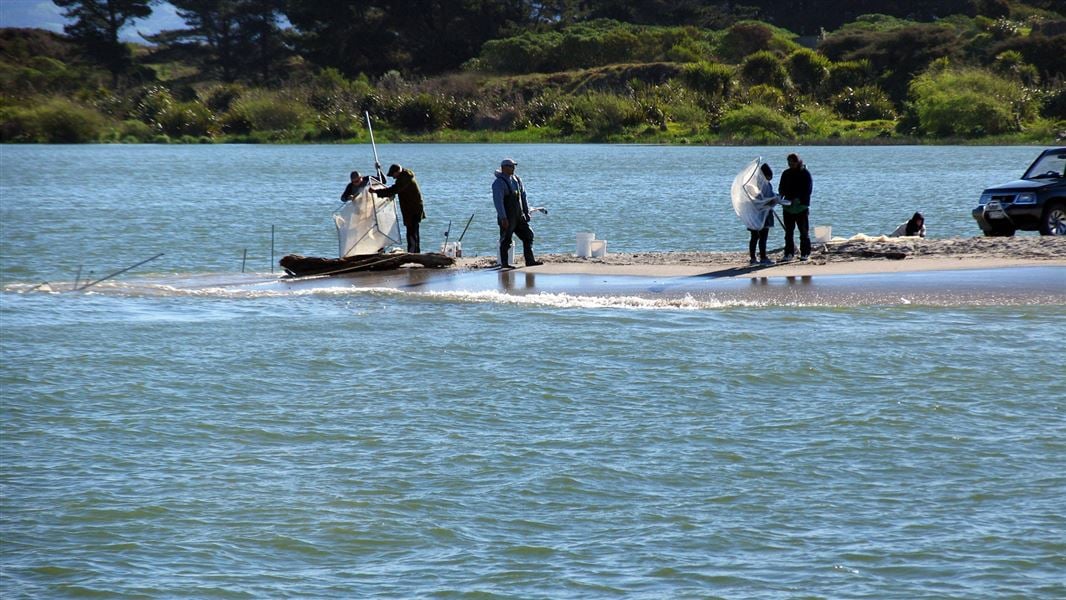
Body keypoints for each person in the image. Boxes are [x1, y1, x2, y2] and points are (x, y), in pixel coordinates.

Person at [492, 158, 543, 268]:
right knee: (506, 240)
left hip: (519, 216)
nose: (513, 168)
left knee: (528, 235)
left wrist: (526, 212)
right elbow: (498, 202)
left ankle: (530, 261)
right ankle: (504, 264)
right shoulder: (499, 183)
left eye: (514, 166)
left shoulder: (517, 180)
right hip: (507, 217)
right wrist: (503, 218)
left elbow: (523, 197)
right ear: (504, 168)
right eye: (511, 166)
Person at [373, 163, 425, 253]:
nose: (393, 177)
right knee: (412, 232)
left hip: (413, 210)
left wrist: (376, 192)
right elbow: (394, 190)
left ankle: (413, 253)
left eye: (393, 175)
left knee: (412, 233)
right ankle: (413, 252)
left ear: (397, 172)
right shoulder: (404, 177)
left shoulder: (404, 179)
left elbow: (393, 190)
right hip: (411, 210)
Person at [779, 152, 813, 262]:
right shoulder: (786, 173)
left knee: (804, 232)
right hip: (788, 207)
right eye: (789, 163)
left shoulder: (805, 173)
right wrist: (780, 198)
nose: (791, 164)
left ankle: (805, 253)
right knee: (788, 232)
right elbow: (781, 188)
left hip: (801, 207)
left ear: (798, 162)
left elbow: (808, 190)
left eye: (793, 163)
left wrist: (797, 199)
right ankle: (789, 253)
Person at [748, 163, 780, 266]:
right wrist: (775, 199)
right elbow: (767, 199)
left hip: (753, 214)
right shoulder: (764, 185)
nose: (770, 179)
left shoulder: (752, 184)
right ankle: (763, 257)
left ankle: (753, 258)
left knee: (754, 236)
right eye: (769, 177)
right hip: (764, 214)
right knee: (763, 237)